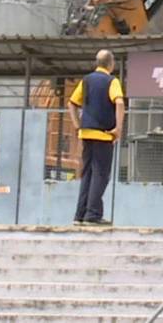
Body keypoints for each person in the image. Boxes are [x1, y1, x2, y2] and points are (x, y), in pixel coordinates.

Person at [68, 49, 125, 226]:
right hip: (103, 134)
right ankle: (93, 214)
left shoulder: (86, 80)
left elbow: (72, 102)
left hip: (86, 133)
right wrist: (118, 128)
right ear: (111, 63)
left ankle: (80, 215)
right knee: (100, 175)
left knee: (87, 174)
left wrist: (77, 124)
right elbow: (120, 102)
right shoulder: (112, 81)